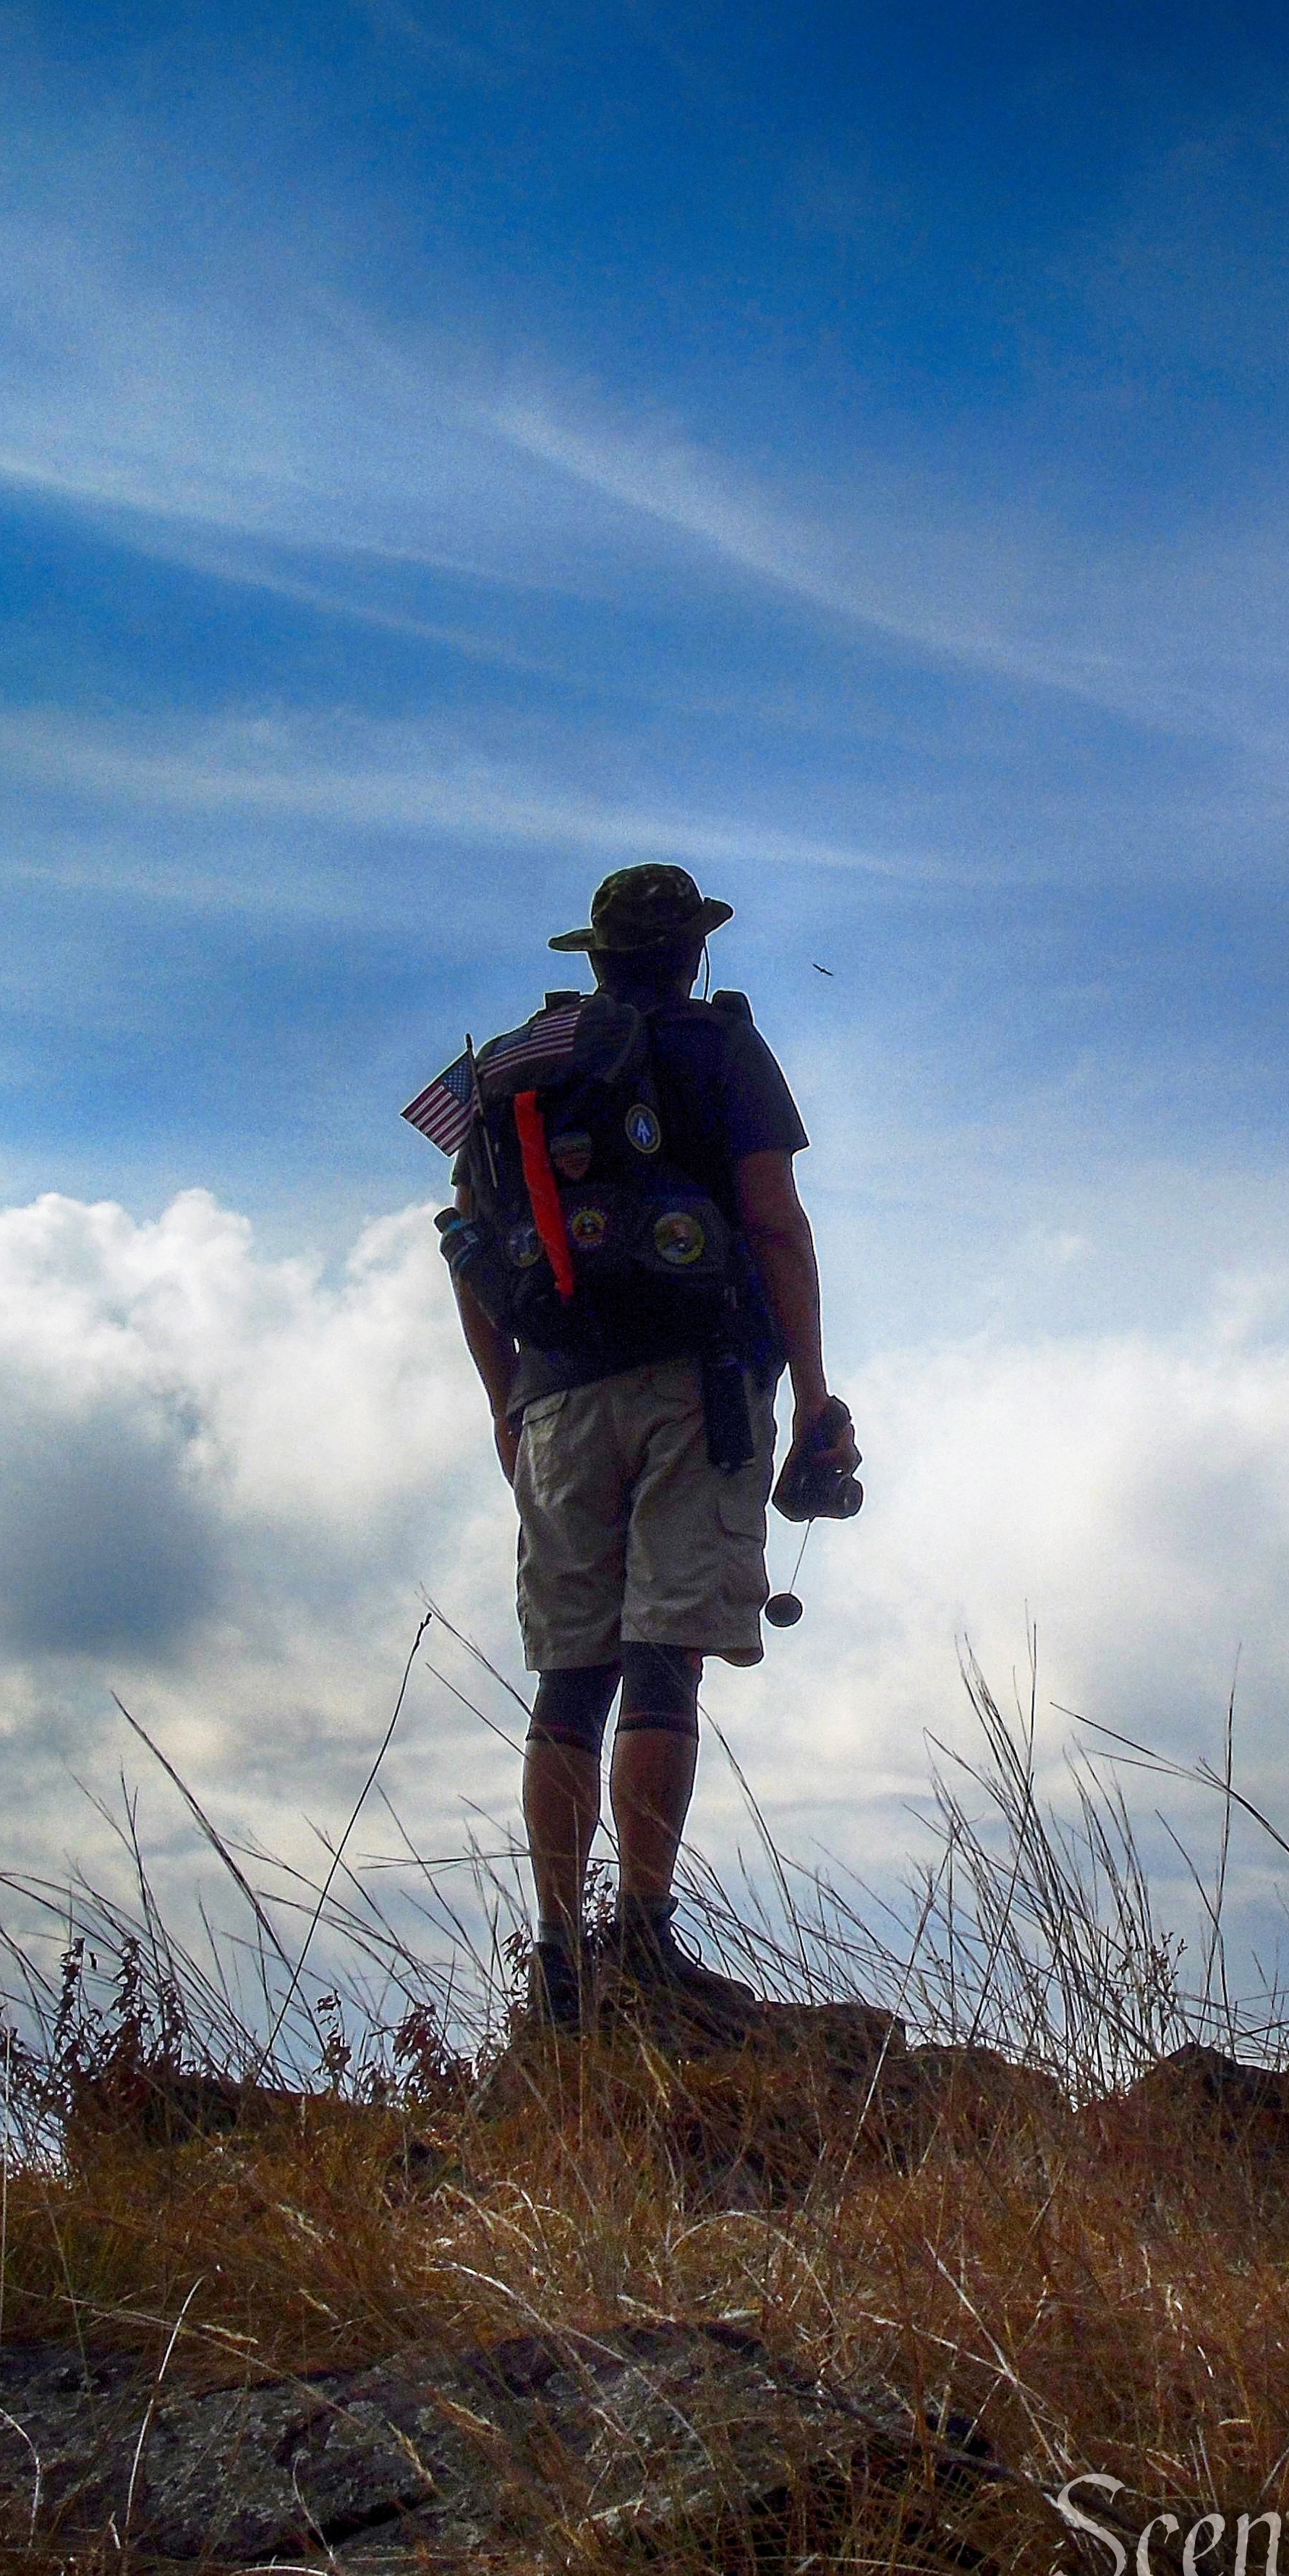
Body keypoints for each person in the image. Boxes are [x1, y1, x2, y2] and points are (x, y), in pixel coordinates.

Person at [441, 863, 858, 2035]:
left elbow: (467, 1249)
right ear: (693, 953)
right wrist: (814, 1392)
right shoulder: (722, 1047)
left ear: (595, 958)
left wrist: (505, 1403)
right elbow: (772, 1220)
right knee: (663, 1658)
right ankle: (647, 1935)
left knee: (570, 1672)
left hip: (557, 1397)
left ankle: (560, 1956)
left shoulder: (518, 1067)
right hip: (701, 1384)